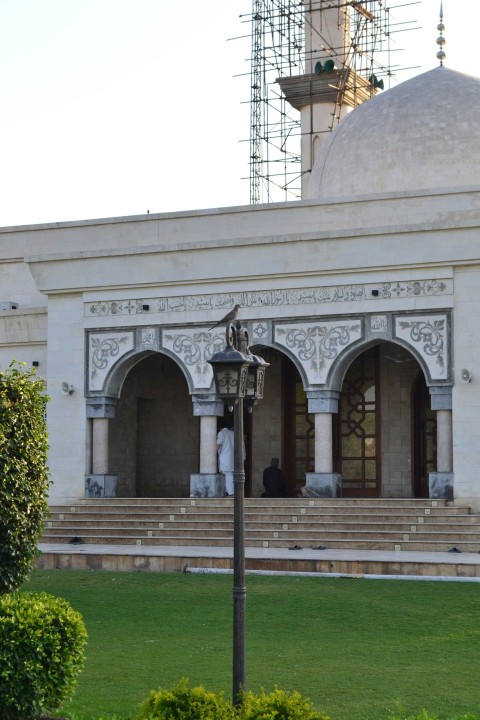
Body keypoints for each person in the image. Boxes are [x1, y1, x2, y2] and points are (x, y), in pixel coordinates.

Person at [216, 423, 235, 496]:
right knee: (231, 475)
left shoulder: (221, 433)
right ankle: (229, 492)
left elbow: (218, 444)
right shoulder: (233, 433)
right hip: (233, 458)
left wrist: (211, 453)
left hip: (225, 458)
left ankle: (231, 494)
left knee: (227, 475)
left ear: (220, 428)